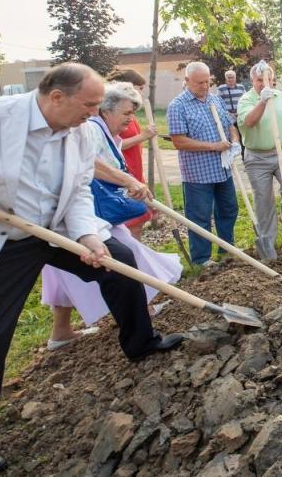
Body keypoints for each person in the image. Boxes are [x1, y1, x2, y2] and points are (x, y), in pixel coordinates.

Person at [0, 63, 182, 476]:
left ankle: (140, 342)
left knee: (119, 262)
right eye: (88, 104)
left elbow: (78, 191)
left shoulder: (82, 132)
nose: (94, 112)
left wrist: (89, 238)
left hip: (50, 230)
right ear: (56, 96)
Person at [42, 82, 182, 350]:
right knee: (127, 257)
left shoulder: (101, 130)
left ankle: (61, 332)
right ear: (106, 110)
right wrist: (127, 180)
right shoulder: (93, 128)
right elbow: (90, 164)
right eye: (127, 113)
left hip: (77, 215)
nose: (131, 120)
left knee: (63, 275)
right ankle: (141, 320)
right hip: (81, 215)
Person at [167, 61, 240, 267]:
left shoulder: (216, 101)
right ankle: (201, 259)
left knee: (228, 209)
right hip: (197, 174)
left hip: (222, 170)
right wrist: (214, 146)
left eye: (207, 81)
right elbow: (179, 141)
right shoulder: (177, 106)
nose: (205, 86)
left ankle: (227, 249)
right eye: (200, 82)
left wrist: (234, 141)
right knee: (199, 217)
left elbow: (230, 125)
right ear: (187, 81)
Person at [236, 61, 282, 260]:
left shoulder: (280, 96)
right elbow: (248, 122)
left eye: (270, 81)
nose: (266, 84)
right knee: (264, 200)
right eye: (260, 81)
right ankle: (268, 243)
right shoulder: (246, 99)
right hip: (257, 158)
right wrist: (262, 101)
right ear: (252, 80)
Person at [106, 68, 159, 239]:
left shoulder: (130, 115)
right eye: (138, 88)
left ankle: (136, 261)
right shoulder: (112, 116)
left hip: (135, 173)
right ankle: (131, 262)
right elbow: (112, 147)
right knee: (131, 225)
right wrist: (142, 136)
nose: (140, 92)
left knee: (139, 223)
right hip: (121, 175)